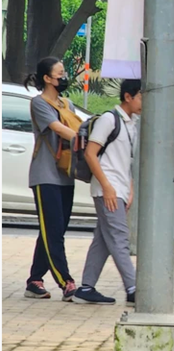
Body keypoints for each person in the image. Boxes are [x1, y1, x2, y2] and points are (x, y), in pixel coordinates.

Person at [73, 80, 142, 306]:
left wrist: (129, 189)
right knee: (120, 238)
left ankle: (86, 288)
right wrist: (108, 187)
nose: (144, 103)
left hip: (118, 189)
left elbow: (126, 161)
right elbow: (91, 154)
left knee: (103, 240)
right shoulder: (109, 119)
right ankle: (132, 288)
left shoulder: (132, 123)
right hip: (107, 189)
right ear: (128, 97)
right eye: (141, 97)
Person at [23, 57, 83, 301]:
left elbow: (76, 125)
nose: (64, 77)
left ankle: (34, 280)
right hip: (45, 175)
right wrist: (83, 139)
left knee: (52, 231)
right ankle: (66, 282)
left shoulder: (65, 102)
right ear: (47, 78)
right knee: (54, 230)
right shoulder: (39, 103)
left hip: (65, 175)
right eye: (60, 74)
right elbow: (59, 129)